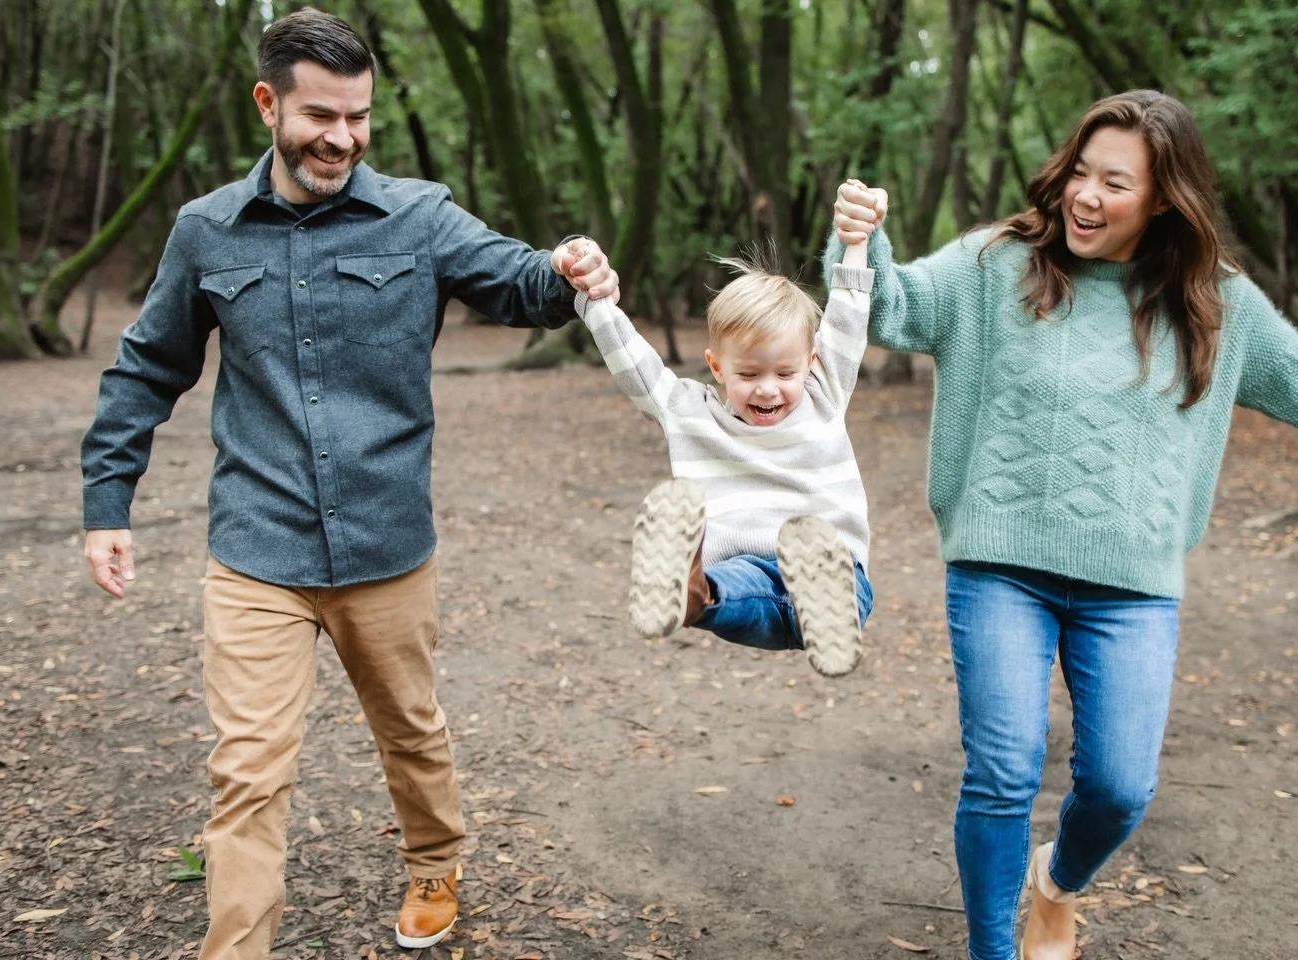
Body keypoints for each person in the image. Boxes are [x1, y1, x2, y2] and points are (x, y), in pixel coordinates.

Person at [78, 9, 618, 958]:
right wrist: (105, 501)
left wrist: (568, 271)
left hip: (386, 544)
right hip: (258, 549)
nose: (341, 137)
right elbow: (145, 368)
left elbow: (517, 282)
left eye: (358, 117)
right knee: (246, 773)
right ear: (268, 104)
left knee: (410, 730)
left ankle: (434, 861)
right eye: (320, 115)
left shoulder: (419, 214)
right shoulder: (206, 230)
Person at [827, 90, 1298, 960]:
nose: (1084, 197)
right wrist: (857, 241)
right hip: (1000, 563)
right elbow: (892, 308)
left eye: (1114, 183)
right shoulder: (997, 265)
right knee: (1003, 772)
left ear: (1165, 198)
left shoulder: (1217, 306)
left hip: (1132, 586)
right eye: (1079, 174)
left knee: (1119, 788)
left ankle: (1054, 883)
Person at [577, 214, 880, 677]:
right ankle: (691, 591)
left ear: (811, 362)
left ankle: (805, 600)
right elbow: (634, 362)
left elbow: (848, 315)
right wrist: (593, 298)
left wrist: (856, 241)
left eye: (785, 373)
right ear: (716, 367)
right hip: (744, 571)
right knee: (732, 588)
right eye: (749, 374)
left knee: (825, 587)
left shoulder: (824, 391)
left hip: (831, 567)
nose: (768, 389)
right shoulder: (692, 412)